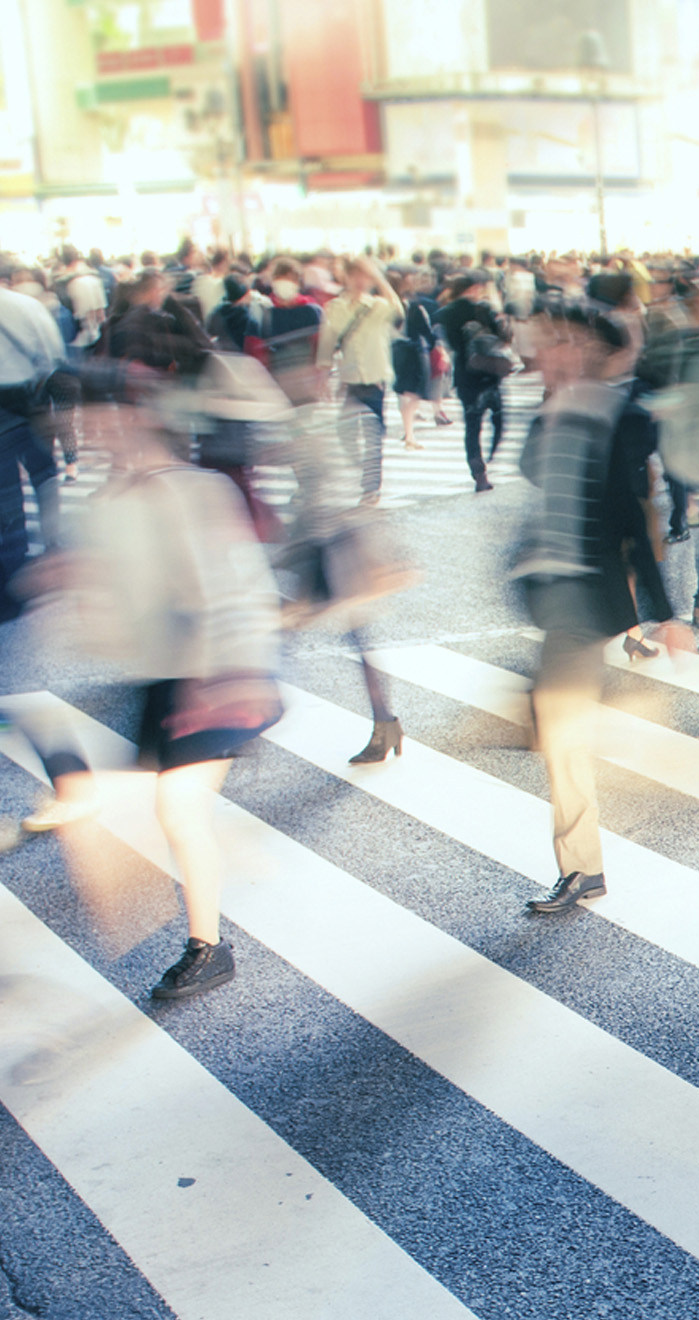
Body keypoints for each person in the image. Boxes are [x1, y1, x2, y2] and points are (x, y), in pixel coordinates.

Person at [78, 388, 284, 1000]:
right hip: (164, 678)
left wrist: (230, 674)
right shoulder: (110, 500)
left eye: (107, 422)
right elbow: (119, 612)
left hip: (214, 672)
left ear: (143, 420)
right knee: (164, 811)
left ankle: (208, 947)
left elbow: (241, 587)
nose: (95, 435)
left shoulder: (197, 490)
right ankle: (219, 895)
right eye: (88, 426)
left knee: (179, 809)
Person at [513, 305, 686, 914]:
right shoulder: (557, 410)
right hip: (552, 588)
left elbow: (633, 515)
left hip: (585, 595)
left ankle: (581, 867)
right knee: (553, 722)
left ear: (588, 349)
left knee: (559, 730)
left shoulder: (619, 414)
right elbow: (533, 471)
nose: (546, 353)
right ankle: (582, 862)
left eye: (561, 343)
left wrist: (665, 612)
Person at [317, 256, 404, 504]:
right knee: (344, 432)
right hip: (350, 380)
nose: (359, 281)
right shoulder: (335, 307)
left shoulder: (377, 306)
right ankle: (363, 469)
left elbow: (398, 311)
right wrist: (323, 374)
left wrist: (379, 278)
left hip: (374, 380)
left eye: (364, 276)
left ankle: (370, 488)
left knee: (373, 437)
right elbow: (327, 342)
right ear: (346, 276)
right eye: (355, 275)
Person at [0, 276, 65, 596]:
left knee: (5, 488)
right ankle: (54, 544)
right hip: (28, 399)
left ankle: (14, 565)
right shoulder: (26, 305)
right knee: (44, 473)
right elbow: (52, 356)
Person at [439, 270, 510, 492]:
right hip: (489, 373)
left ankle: (479, 474)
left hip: (466, 374)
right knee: (498, 418)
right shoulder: (484, 309)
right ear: (472, 288)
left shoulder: (446, 313)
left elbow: (449, 342)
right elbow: (503, 337)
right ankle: (492, 454)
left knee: (472, 427)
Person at [392, 268, 436, 449]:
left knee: (404, 392)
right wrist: (433, 345)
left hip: (395, 349)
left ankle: (408, 431)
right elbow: (425, 330)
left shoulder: (386, 306)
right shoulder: (413, 306)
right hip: (413, 351)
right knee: (414, 393)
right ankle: (409, 434)